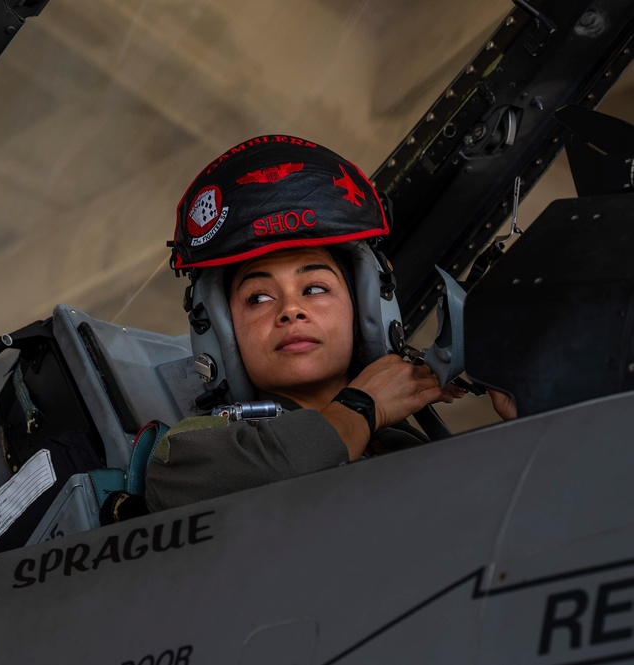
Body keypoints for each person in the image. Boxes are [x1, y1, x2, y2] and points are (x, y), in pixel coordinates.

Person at [144, 135, 463, 512]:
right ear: (220, 333)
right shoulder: (190, 456)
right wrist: (362, 406)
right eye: (259, 298)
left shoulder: (406, 444)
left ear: (365, 311)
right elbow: (275, 470)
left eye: (314, 288)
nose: (290, 310)